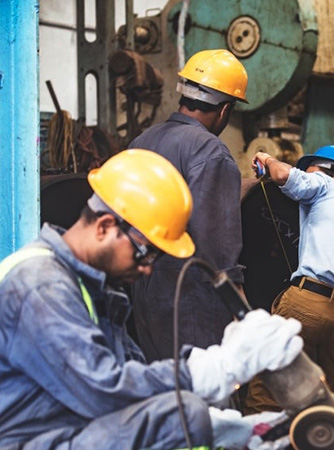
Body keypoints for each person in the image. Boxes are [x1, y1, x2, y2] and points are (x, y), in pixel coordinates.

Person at [0, 149, 304, 449]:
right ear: (105, 226)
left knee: (187, 415)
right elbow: (105, 392)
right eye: (145, 252)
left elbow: (136, 379)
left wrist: (226, 428)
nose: (147, 268)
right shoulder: (41, 284)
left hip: (60, 430)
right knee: (181, 418)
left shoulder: (91, 289)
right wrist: (219, 367)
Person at [244, 146, 334, 450]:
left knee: (267, 387)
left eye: (312, 171)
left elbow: (281, 175)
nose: (307, 176)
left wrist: (265, 158)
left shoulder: (327, 187)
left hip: (310, 302)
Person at [129, 49, 250, 362]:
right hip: (191, 297)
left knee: (164, 388)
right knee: (205, 396)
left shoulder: (142, 141)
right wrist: (241, 308)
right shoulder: (209, 150)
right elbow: (216, 245)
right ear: (225, 110)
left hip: (144, 290)